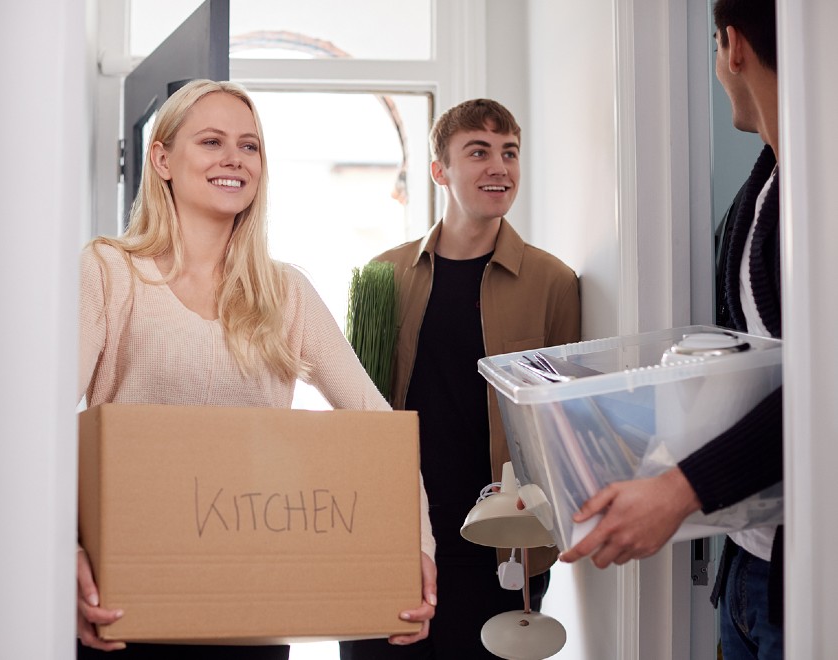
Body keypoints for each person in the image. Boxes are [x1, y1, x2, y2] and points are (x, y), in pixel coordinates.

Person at [75, 79, 438, 658]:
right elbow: (43, 428)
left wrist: (415, 547)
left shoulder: (284, 292)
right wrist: (62, 552)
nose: (233, 160)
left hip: (251, 607)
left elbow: (376, 424)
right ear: (162, 158)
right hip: (127, 598)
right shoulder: (109, 272)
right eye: (211, 141)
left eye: (250, 146)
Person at [559, 1, 784, 657]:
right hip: (747, 559)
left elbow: (823, 390)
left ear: (732, 45)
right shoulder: (763, 188)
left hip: (804, 574)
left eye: (714, 47)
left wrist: (677, 489)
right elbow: (763, 367)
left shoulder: (816, 195)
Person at [340, 99, 580, 660]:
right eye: (478, 152)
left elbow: (564, 419)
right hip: (393, 536)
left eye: (509, 153)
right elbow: (353, 414)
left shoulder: (553, 283)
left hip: (499, 546)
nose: (499, 167)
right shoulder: (382, 276)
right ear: (439, 171)